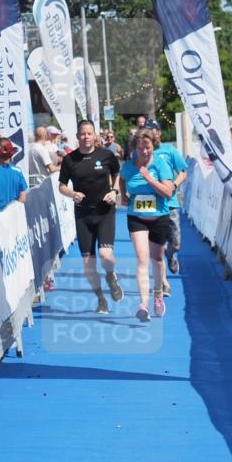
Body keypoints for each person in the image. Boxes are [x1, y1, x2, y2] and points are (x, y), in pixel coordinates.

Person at [58, 119, 122, 314]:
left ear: (95, 136)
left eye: (89, 133)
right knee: (88, 265)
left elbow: (117, 174)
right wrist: (72, 194)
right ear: (77, 137)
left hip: (104, 212)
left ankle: (111, 276)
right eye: (82, 134)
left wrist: (114, 191)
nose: (86, 137)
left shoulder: (106, 155)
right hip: (83, 215)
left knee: (105, 255)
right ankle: (101, 299)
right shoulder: (70, 160)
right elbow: (61, 186)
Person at [118, 130, 175, 321]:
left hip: (159, 217)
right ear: (135, 147)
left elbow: (168, 193)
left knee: (157, 258)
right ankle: (143, 304)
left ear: (154, 146)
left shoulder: (161, 165)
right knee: (142, 259)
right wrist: (124, 197)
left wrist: (150, 179)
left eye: (148, 147)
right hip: (137, 217)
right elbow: (122, 178)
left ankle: (158, 294)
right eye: (140, 147)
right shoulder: (128, 166)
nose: (144, 151)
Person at [146, 121, 187, 286]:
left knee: (175, 244)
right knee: (157, 246)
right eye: (148, 131)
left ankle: (171, 256)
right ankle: (162, 282)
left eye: (154, 130)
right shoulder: (142, 151)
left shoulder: (169, 150)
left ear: (159, 132)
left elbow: (183, 172)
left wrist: (174, 185)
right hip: (151, 206)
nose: (151, 133)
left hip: (170, 204)